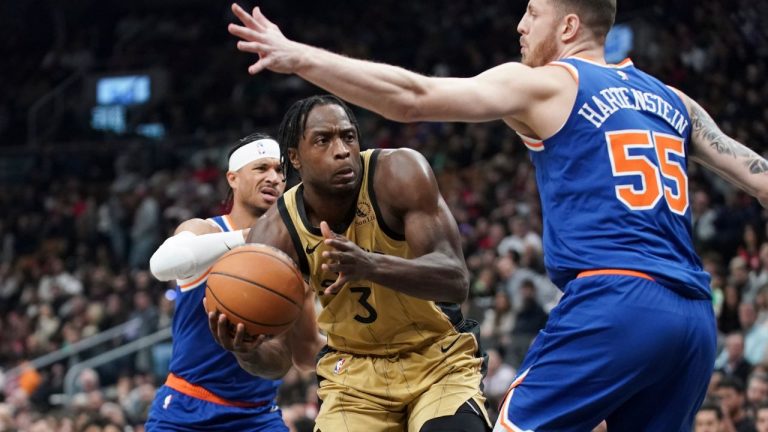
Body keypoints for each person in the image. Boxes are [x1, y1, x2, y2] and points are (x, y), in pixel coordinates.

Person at [226, 0, 768, 429]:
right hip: (694, 318)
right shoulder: (672, 100)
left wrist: (298, 56)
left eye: (533, 13)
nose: (520, 25)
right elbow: (757, 175)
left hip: (616, 301)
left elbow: (412, 97)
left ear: (569, 25)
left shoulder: (550, 82)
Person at [211, 94, 492, 432]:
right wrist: (247, 351)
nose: (342, 149)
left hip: (436, 358)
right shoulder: (275, 232)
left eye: (348, 136)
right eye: (323, 140)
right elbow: (280, 360)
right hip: (354, 378)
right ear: (295, 158)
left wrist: (371, 265)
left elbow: (456, 280)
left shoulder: (398, 173)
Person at [145, 133, 320, 431]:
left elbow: (300, 356)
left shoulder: (294, 258)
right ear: (233, 178)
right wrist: (249, 238)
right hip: (186, 408)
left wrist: (248, 351)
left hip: (257, 415)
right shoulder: (205, 230)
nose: (274, 177)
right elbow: (160, 265)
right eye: (261, 168)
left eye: (279, 170)